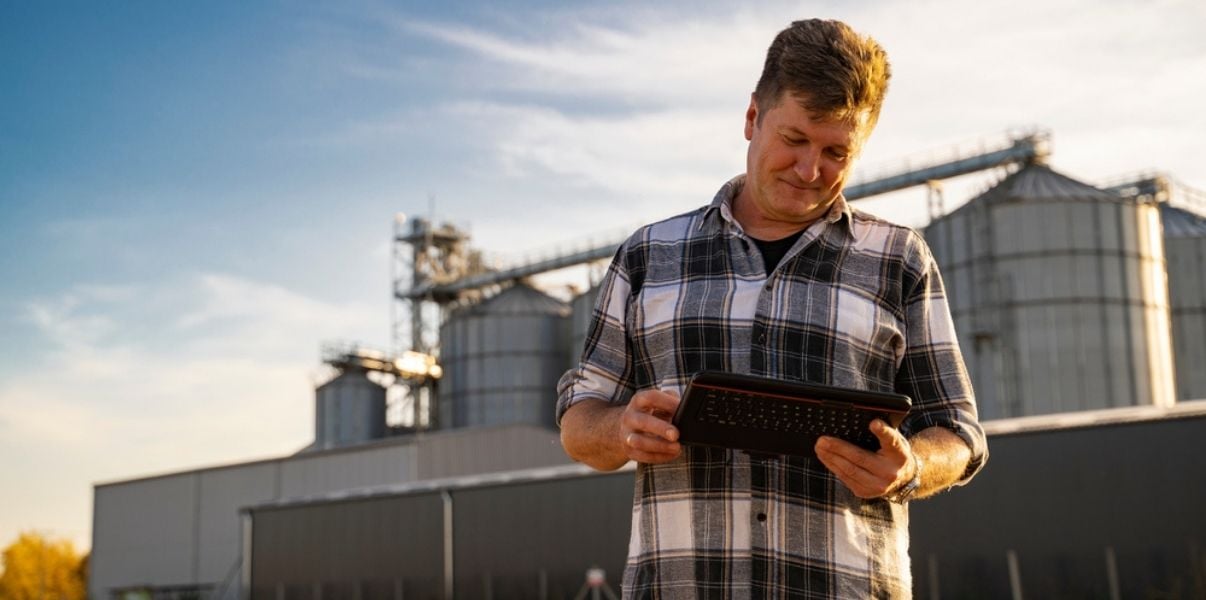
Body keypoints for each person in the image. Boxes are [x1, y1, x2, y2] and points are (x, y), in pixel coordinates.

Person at [556, 18, 987, 599]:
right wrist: (621, 429)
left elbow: (959, 434)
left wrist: (910, 467)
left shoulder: (899, 258)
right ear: (753, 118)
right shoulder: (647, 256)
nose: (811, 171)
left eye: (837, 152)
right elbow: (580, 421)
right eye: (795, 140)